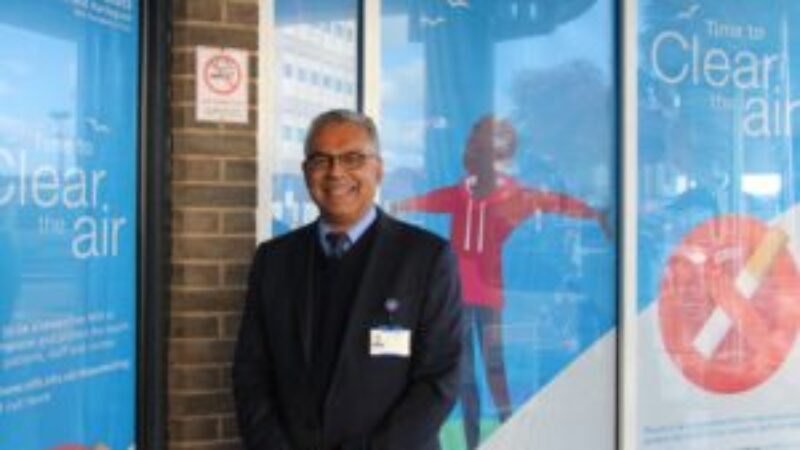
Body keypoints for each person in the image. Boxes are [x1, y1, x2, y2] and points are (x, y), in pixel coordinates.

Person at [233, 109, 463, 450]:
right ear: (306, 172)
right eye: (321, 160)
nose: (335, 172)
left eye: (352, 158)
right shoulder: (273, 261)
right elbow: (251, 372)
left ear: (378, 169)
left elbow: (440, 379)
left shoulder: (427, 258)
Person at [393, 115, 608, 449]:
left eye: (491, 150)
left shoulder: (515, 196)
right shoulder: (460, 193)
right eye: (477, 147)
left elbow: (556, 203)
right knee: (465, 376)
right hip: (458, 297)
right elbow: (429, 201)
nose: (482, 155)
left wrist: (595, 214)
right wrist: (398, 204)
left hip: (489, 295)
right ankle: (472, 441)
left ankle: (509, 430)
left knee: (495, 370)